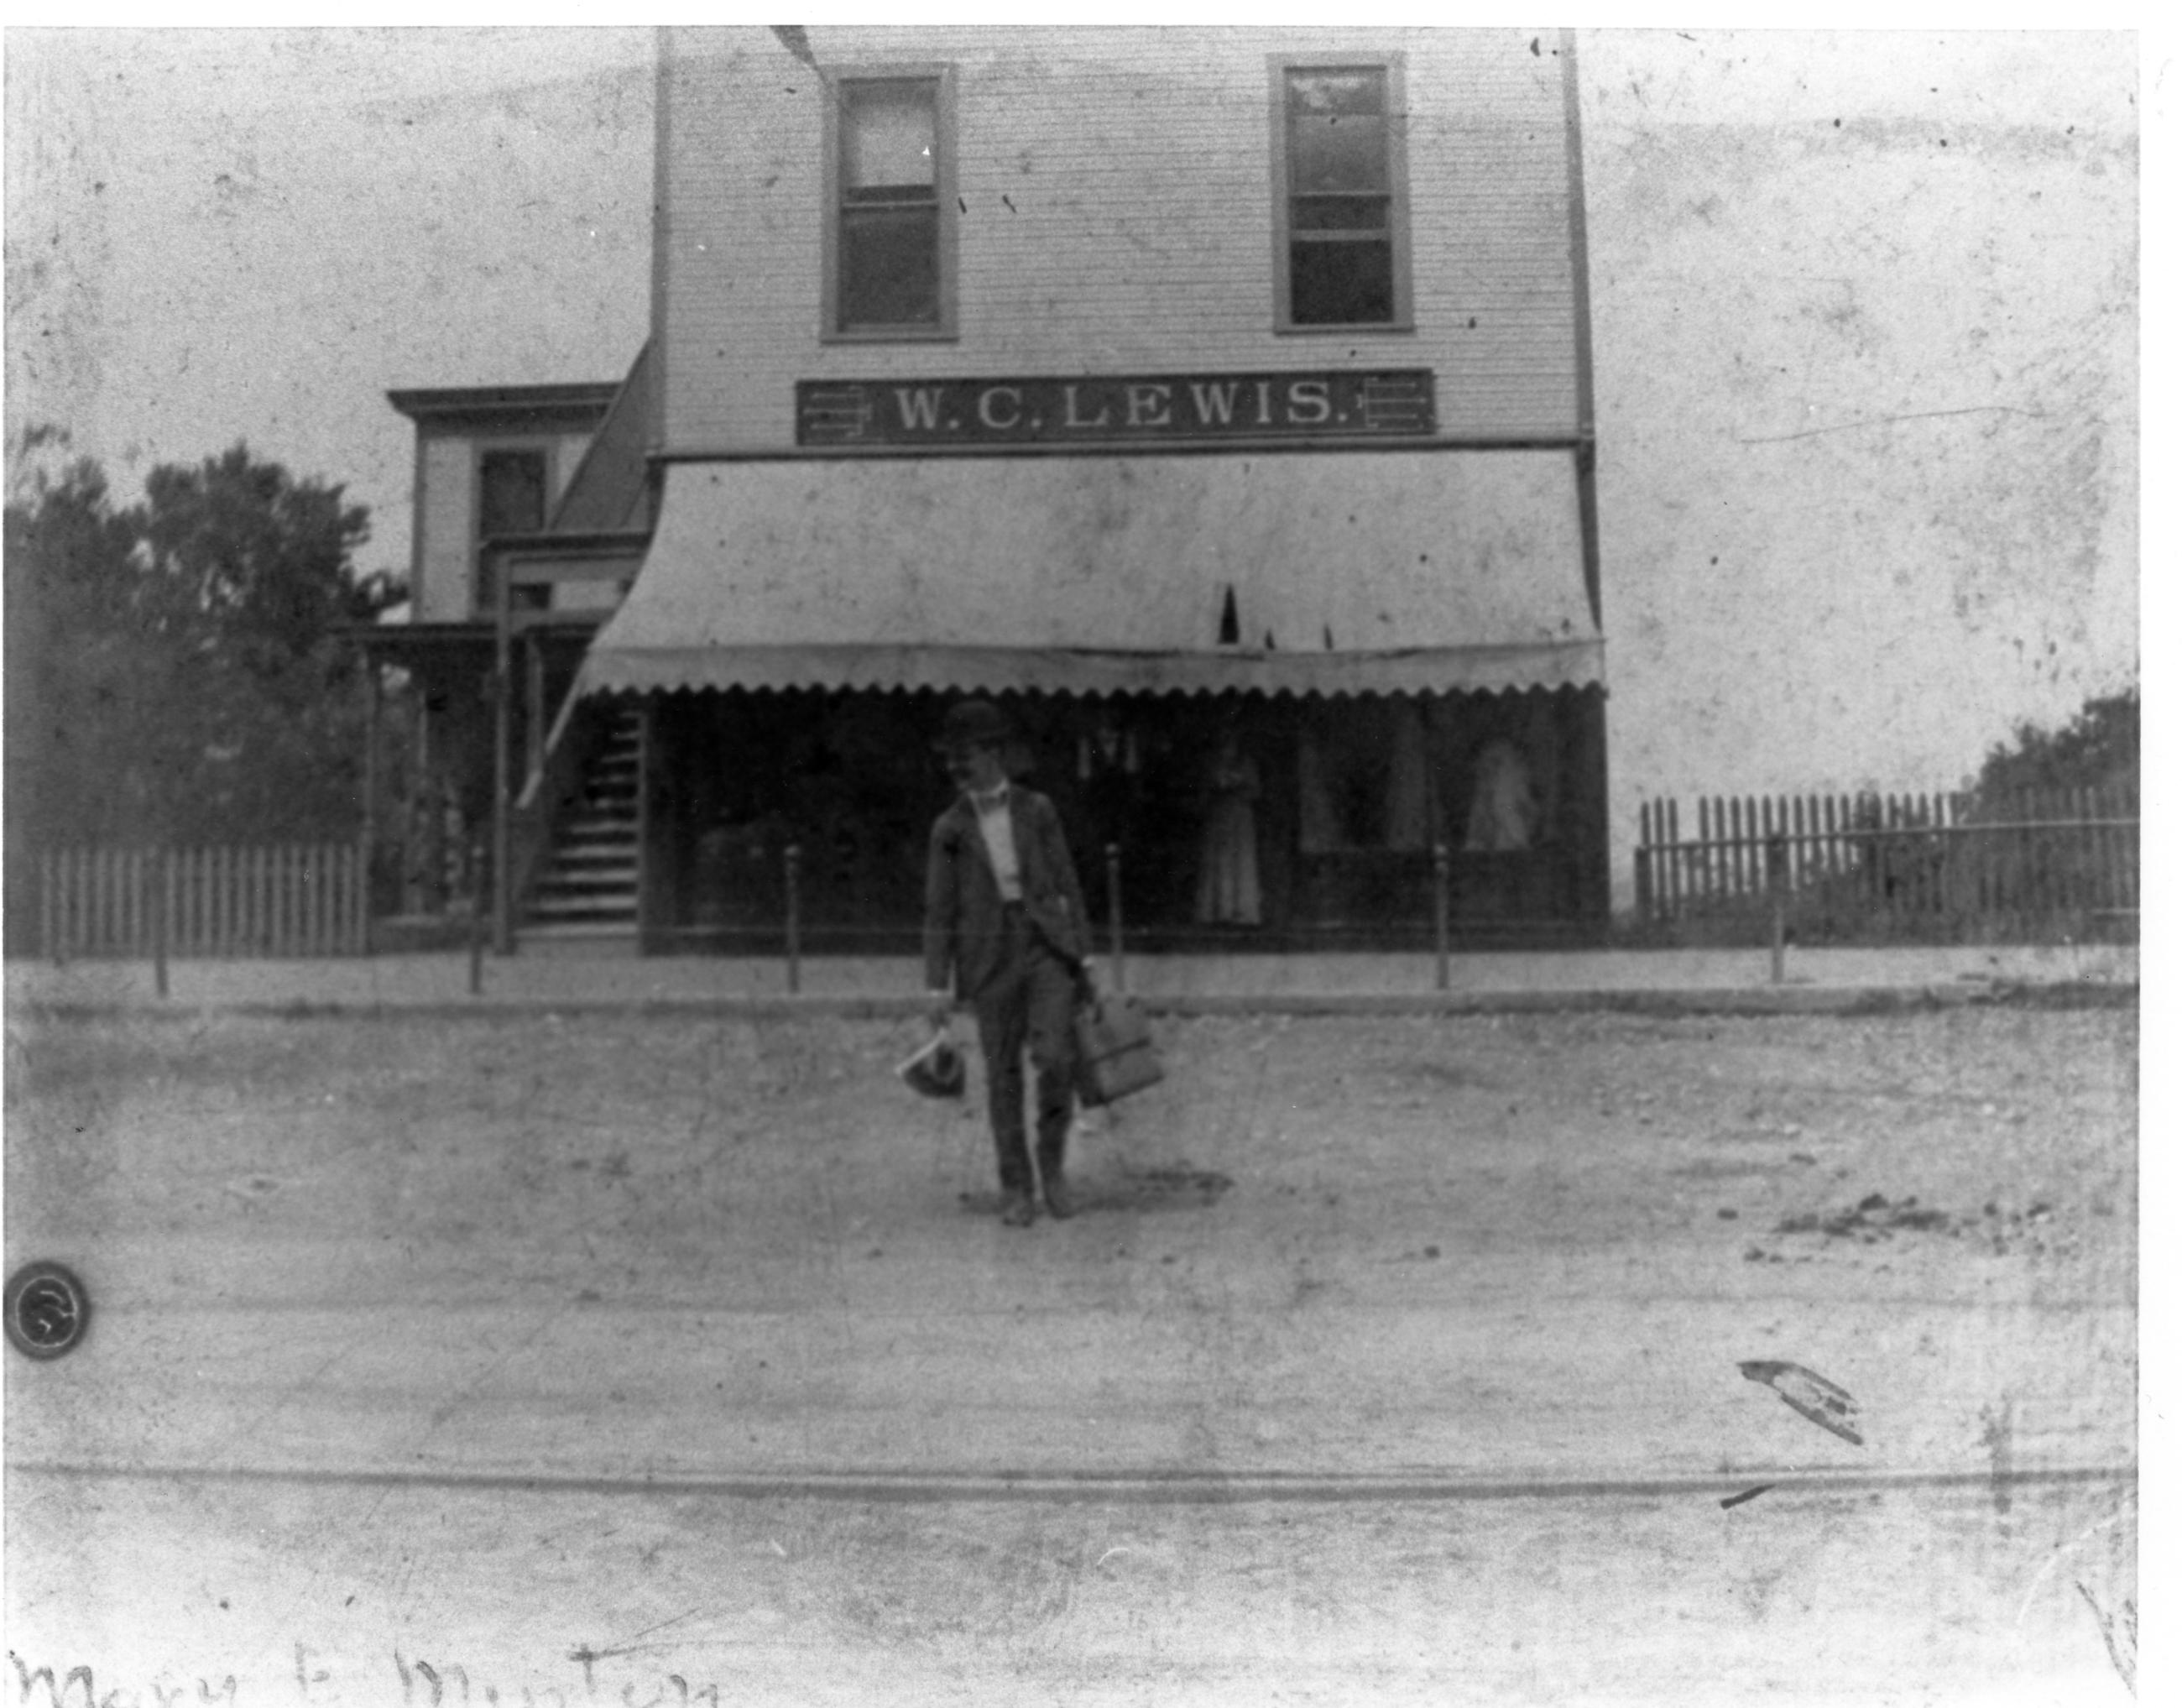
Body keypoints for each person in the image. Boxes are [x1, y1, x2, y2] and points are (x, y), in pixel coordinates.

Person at [922, 700, 1094, 1227]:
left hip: (1046, 948)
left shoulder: (1037, 809)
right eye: (950, 759)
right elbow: (939, 909)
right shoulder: (948, 829)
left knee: (1057, 1058)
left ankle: (1053, 1171)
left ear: (994, 754)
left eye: (965, 756)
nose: (956, 767)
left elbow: (1068, 882)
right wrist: (936, 987)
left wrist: (1085, 956)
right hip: (988, 960)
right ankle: (1017, 1188)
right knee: (1002, 1078)